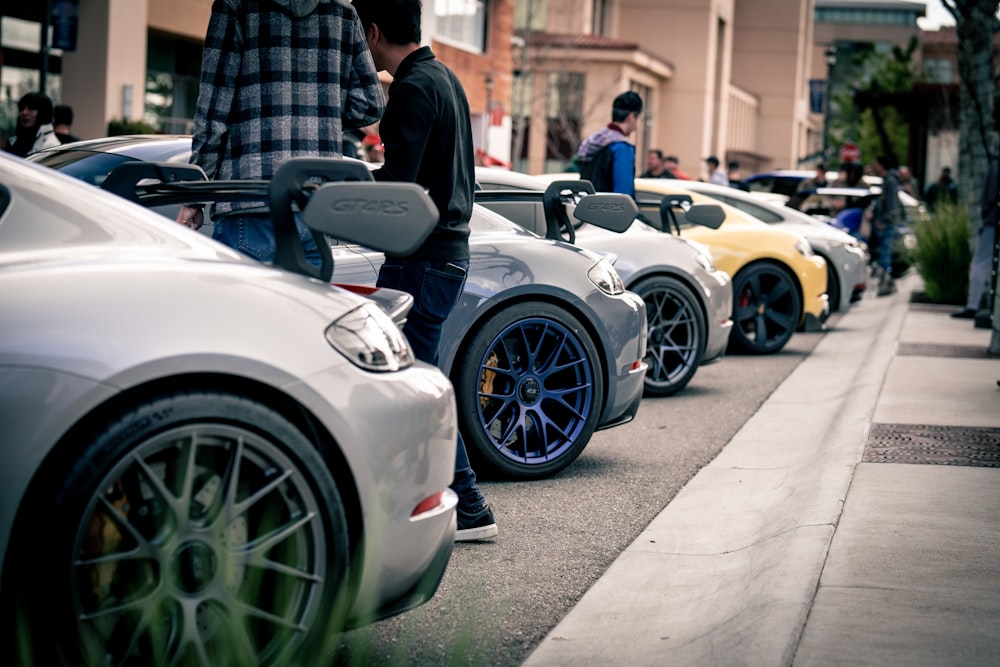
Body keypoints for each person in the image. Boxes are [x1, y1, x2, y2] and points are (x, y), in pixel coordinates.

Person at [352, 0, 497, 542]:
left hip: (421, 257)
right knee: (419, 378)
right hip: (447, 254)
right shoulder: (446, 79)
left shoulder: (411, 89)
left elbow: (398, 189)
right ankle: (453, 502)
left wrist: (340, 193)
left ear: (371, 30)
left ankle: (470, 508)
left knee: (412, 382)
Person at [176, 0, 385, 268]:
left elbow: (213, 113)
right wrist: (319, 117)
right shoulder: (343, 14)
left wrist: (193, 196)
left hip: (250, 201)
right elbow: (370, 103)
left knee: (243, 309)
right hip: (314, 206)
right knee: (306, 310)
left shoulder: (236, 7)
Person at [953, 157, 998, 320]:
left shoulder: (995, 165)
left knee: (980, 262)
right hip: (992, 221)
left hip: (992, 222)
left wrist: (986, 214)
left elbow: (989, 196)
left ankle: (973, 305)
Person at [574, 91, 644, 197]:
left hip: (587, 209)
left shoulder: (594, 141)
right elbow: (623, 196)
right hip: (608, 211)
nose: (637, 124)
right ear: (630, 117)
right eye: (638, 118)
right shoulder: (621, 148)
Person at [867, 155, 905, 296]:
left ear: (881, 165)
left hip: (886, 224)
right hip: (886, 223)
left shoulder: (889, 181)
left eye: (876, 164)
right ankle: (886, 284)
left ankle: (887, 284)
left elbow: (891, 204)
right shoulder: (889, 180)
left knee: (885, 255)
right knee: (884, 254)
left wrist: (884, 221)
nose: (874, 166)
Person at [2, 91, 60, 157]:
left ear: (43, 113)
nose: (24, 113)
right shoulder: (13, 142)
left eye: (31, 108)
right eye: (21, 108)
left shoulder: (51, 146)